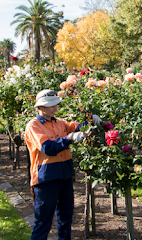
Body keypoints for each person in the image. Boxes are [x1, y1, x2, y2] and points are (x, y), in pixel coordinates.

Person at [24, 89, 92, 240]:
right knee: (43, 222)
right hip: (46, 179)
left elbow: (75, 126)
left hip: (64, 175)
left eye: (56, 105)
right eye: (51, 105)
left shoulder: (59, 122)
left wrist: (91, 121)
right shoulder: (33, 126)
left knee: (65, 219)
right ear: (40, 107)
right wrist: (69, 138)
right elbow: (48, 148)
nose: (55, 108)